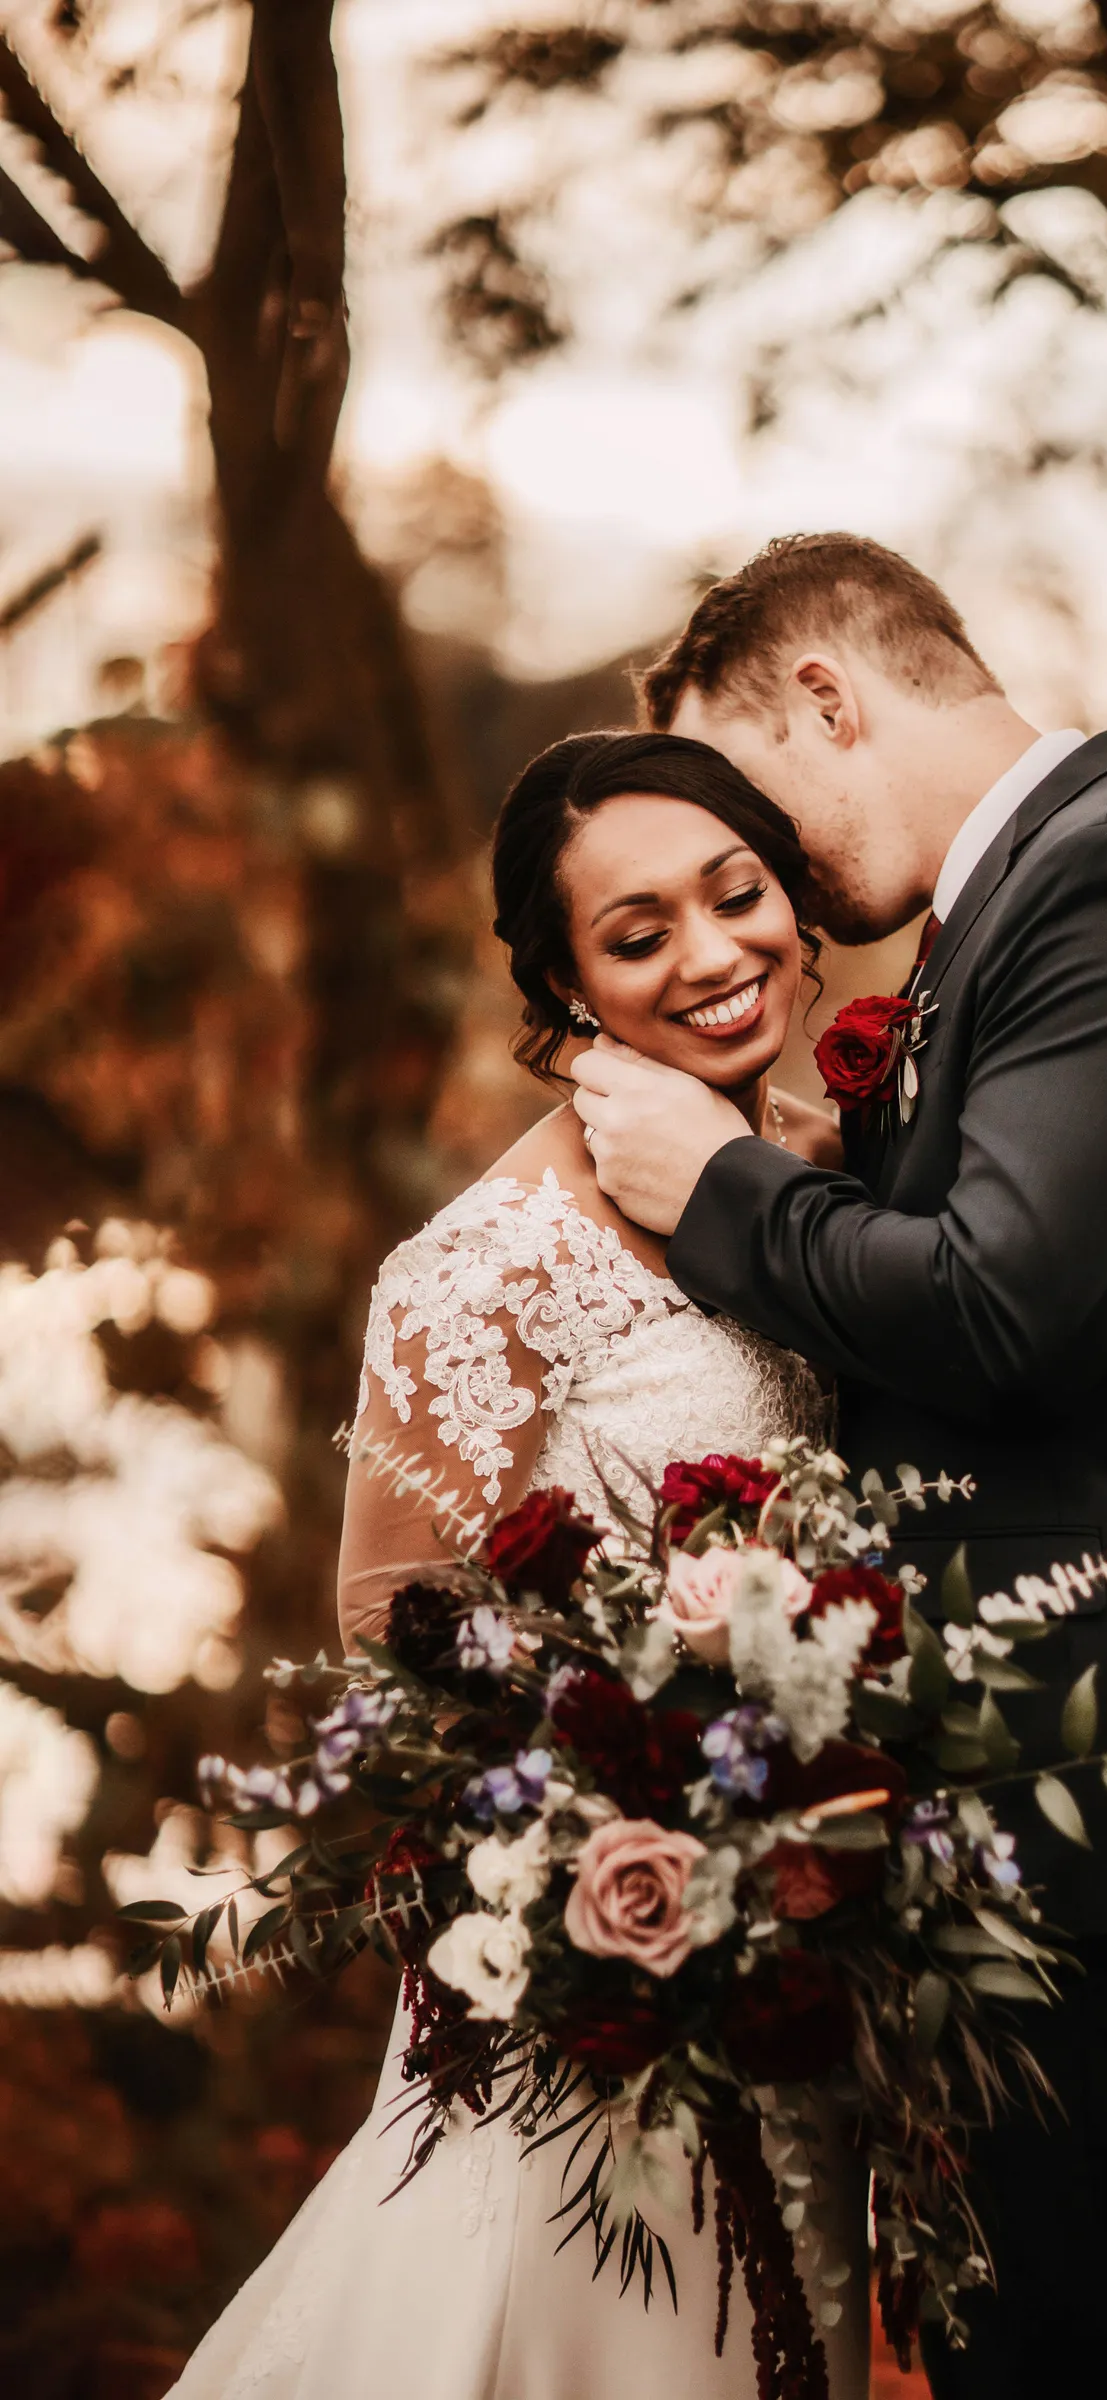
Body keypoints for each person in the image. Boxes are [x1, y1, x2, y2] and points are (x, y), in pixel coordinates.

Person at [570, 532, 1107, 2400]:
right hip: (1024, 1804)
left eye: (753, 812)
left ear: (827, 700)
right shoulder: (1035, 898)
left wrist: (725, 1191)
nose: (766, 897)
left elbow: (1010, 1310)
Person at [164, 733, 867, 2400]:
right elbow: (385, 1621)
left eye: (736, 894)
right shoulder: (483, 1265)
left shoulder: (828, 1182)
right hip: (595, 1968)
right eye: (638, 937)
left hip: (812, 1941)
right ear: (565, 988)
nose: (710, 956)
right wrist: (611, 1820)